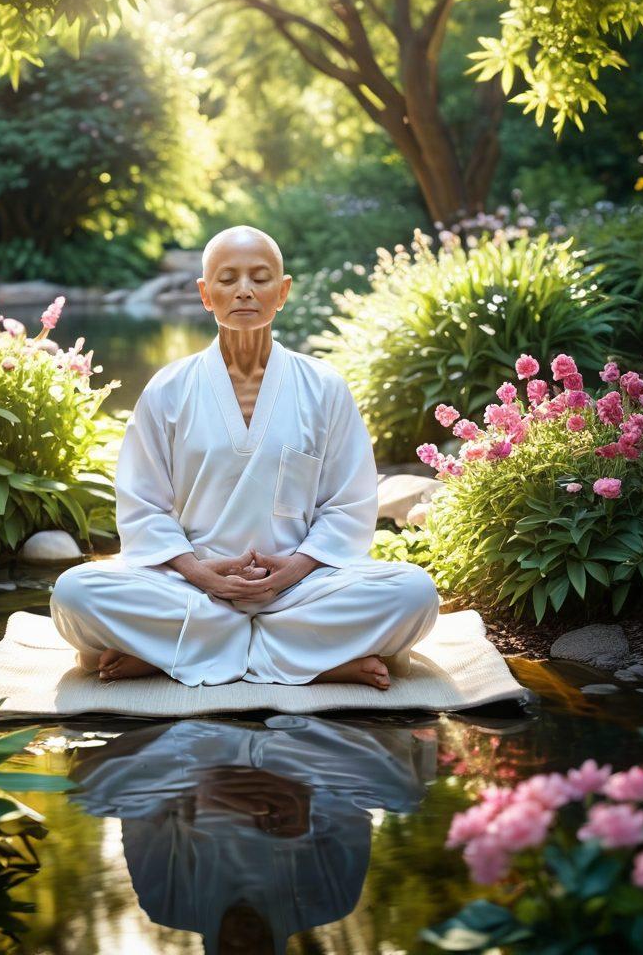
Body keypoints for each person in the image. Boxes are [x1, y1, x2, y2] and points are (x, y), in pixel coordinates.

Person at [50, 224, 439, 689]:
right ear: (205, 294)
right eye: (228, 279)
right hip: (192, 587)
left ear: (283, 291)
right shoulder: (169, 389)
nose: (244, 291)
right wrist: (202, 575)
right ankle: (314, 660)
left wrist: (293, 570)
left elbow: (349, 504)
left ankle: (175, 655)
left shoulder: (324, 387)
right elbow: (143, 505)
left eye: (260, 277)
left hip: (301, 586)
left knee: (416, 594)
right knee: (74, 595)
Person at [66, 715, 437, 955]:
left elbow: (142, 819)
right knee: (401, 789)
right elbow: (353, 818)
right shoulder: (330, 901)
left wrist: (205, 795)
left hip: (197, 765)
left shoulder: (166, 904)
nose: (244, 944)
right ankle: (324, 671)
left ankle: (177, 671)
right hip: (304, 765)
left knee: (90, 788)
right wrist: (302, 809)